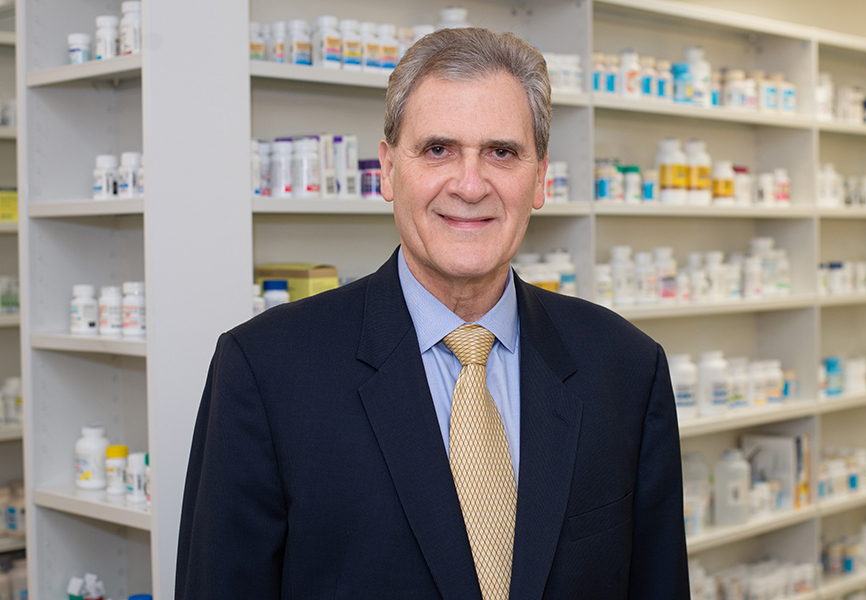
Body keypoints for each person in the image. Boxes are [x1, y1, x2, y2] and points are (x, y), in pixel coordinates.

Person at [176, 27, 688, 599]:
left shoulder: (625, 368)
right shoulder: (263, 372)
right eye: (438, 149)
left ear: (540, 177)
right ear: (390, 170)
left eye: (501, 152)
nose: (470, 186)